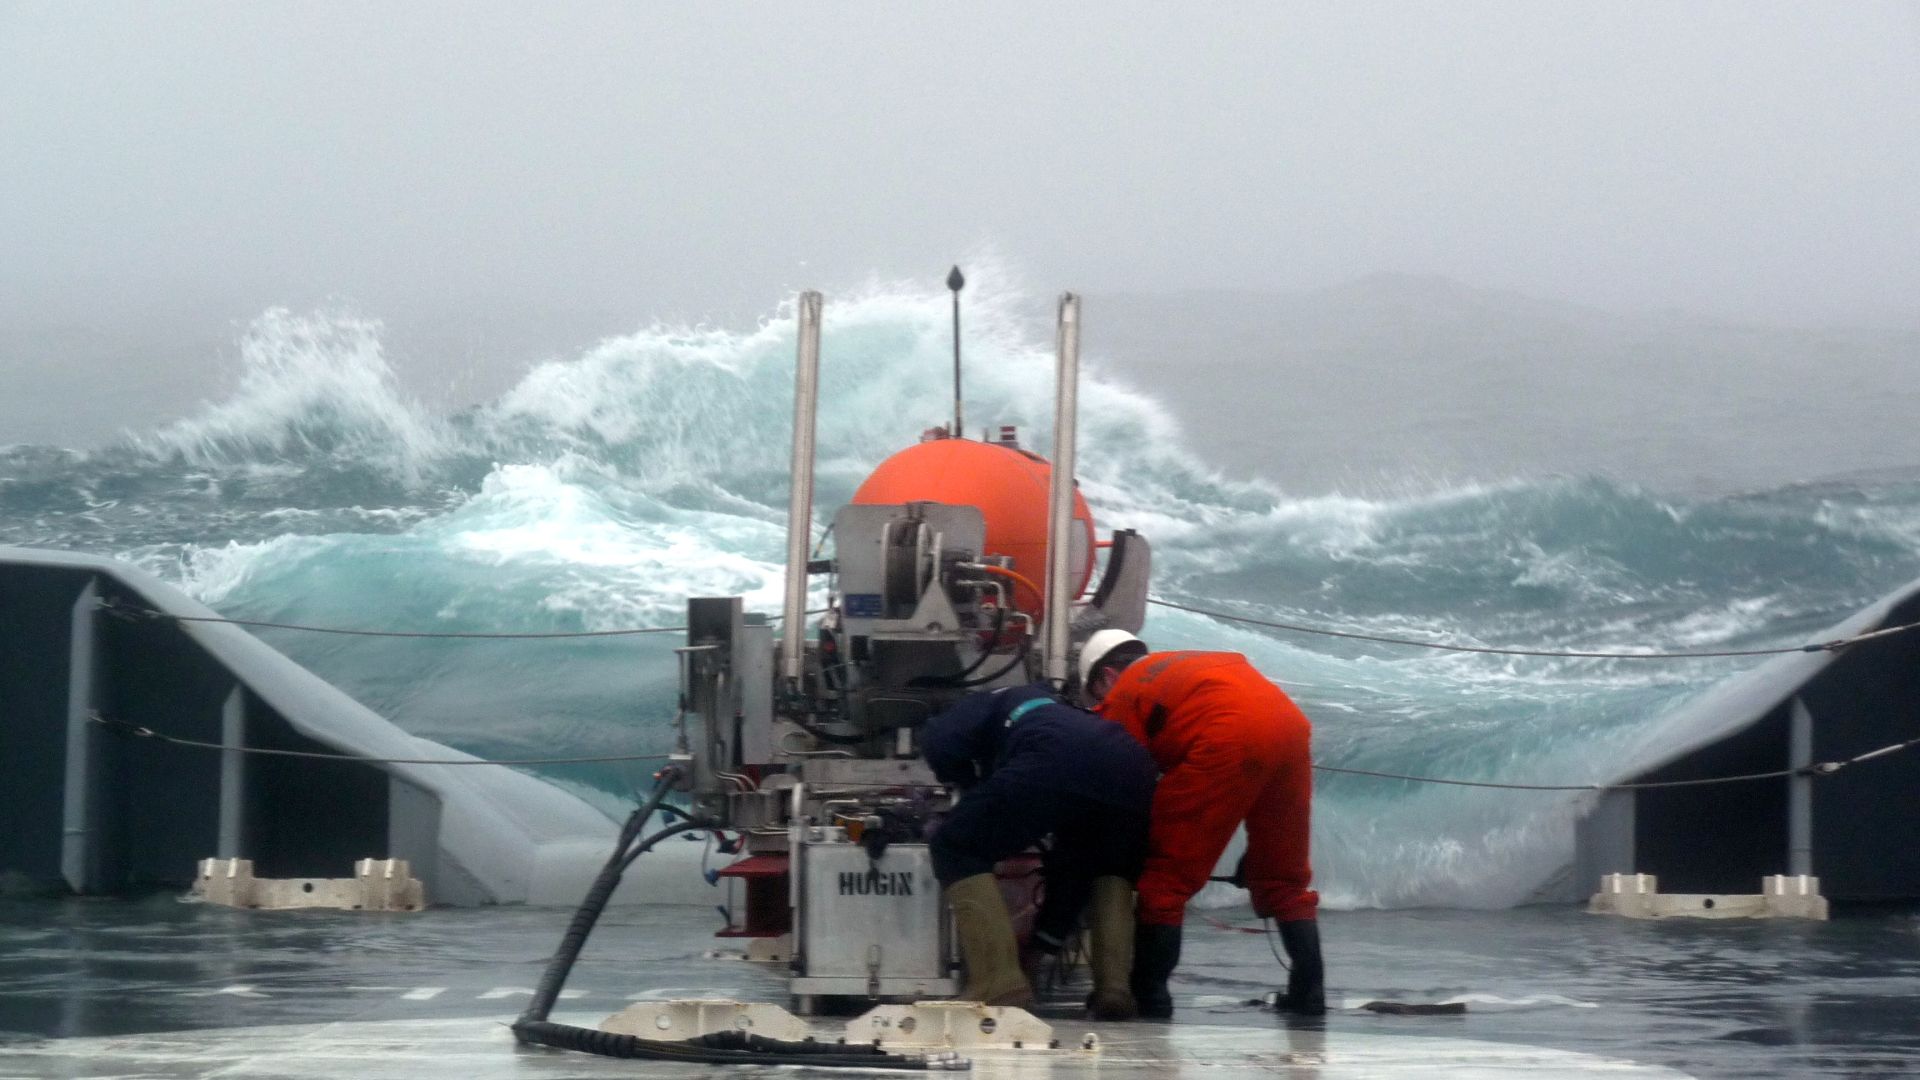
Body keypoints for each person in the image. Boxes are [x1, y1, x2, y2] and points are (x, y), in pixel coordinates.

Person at [1077, 629, 1325, 1017]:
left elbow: (1120, 779)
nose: (1101, 704)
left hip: (1223, 735)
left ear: (1107, 676)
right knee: (1284, 878)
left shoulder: (1123, 694)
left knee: (1166, 883)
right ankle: (1308, 994)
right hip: (1290, 727)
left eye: (1096, 695)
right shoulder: (1184, 664)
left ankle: (1150, 996)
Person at [922, 683, 1158, 1018]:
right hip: (1130, 764)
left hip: (1054, 756)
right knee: (1107, 866)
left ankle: (997, 982)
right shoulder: (1049, 705)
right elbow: (1070, 874)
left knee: (955, 844)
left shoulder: (969, 708)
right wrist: (1043, 944)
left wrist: (969, 788)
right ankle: (1114, 989)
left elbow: (938, 742)